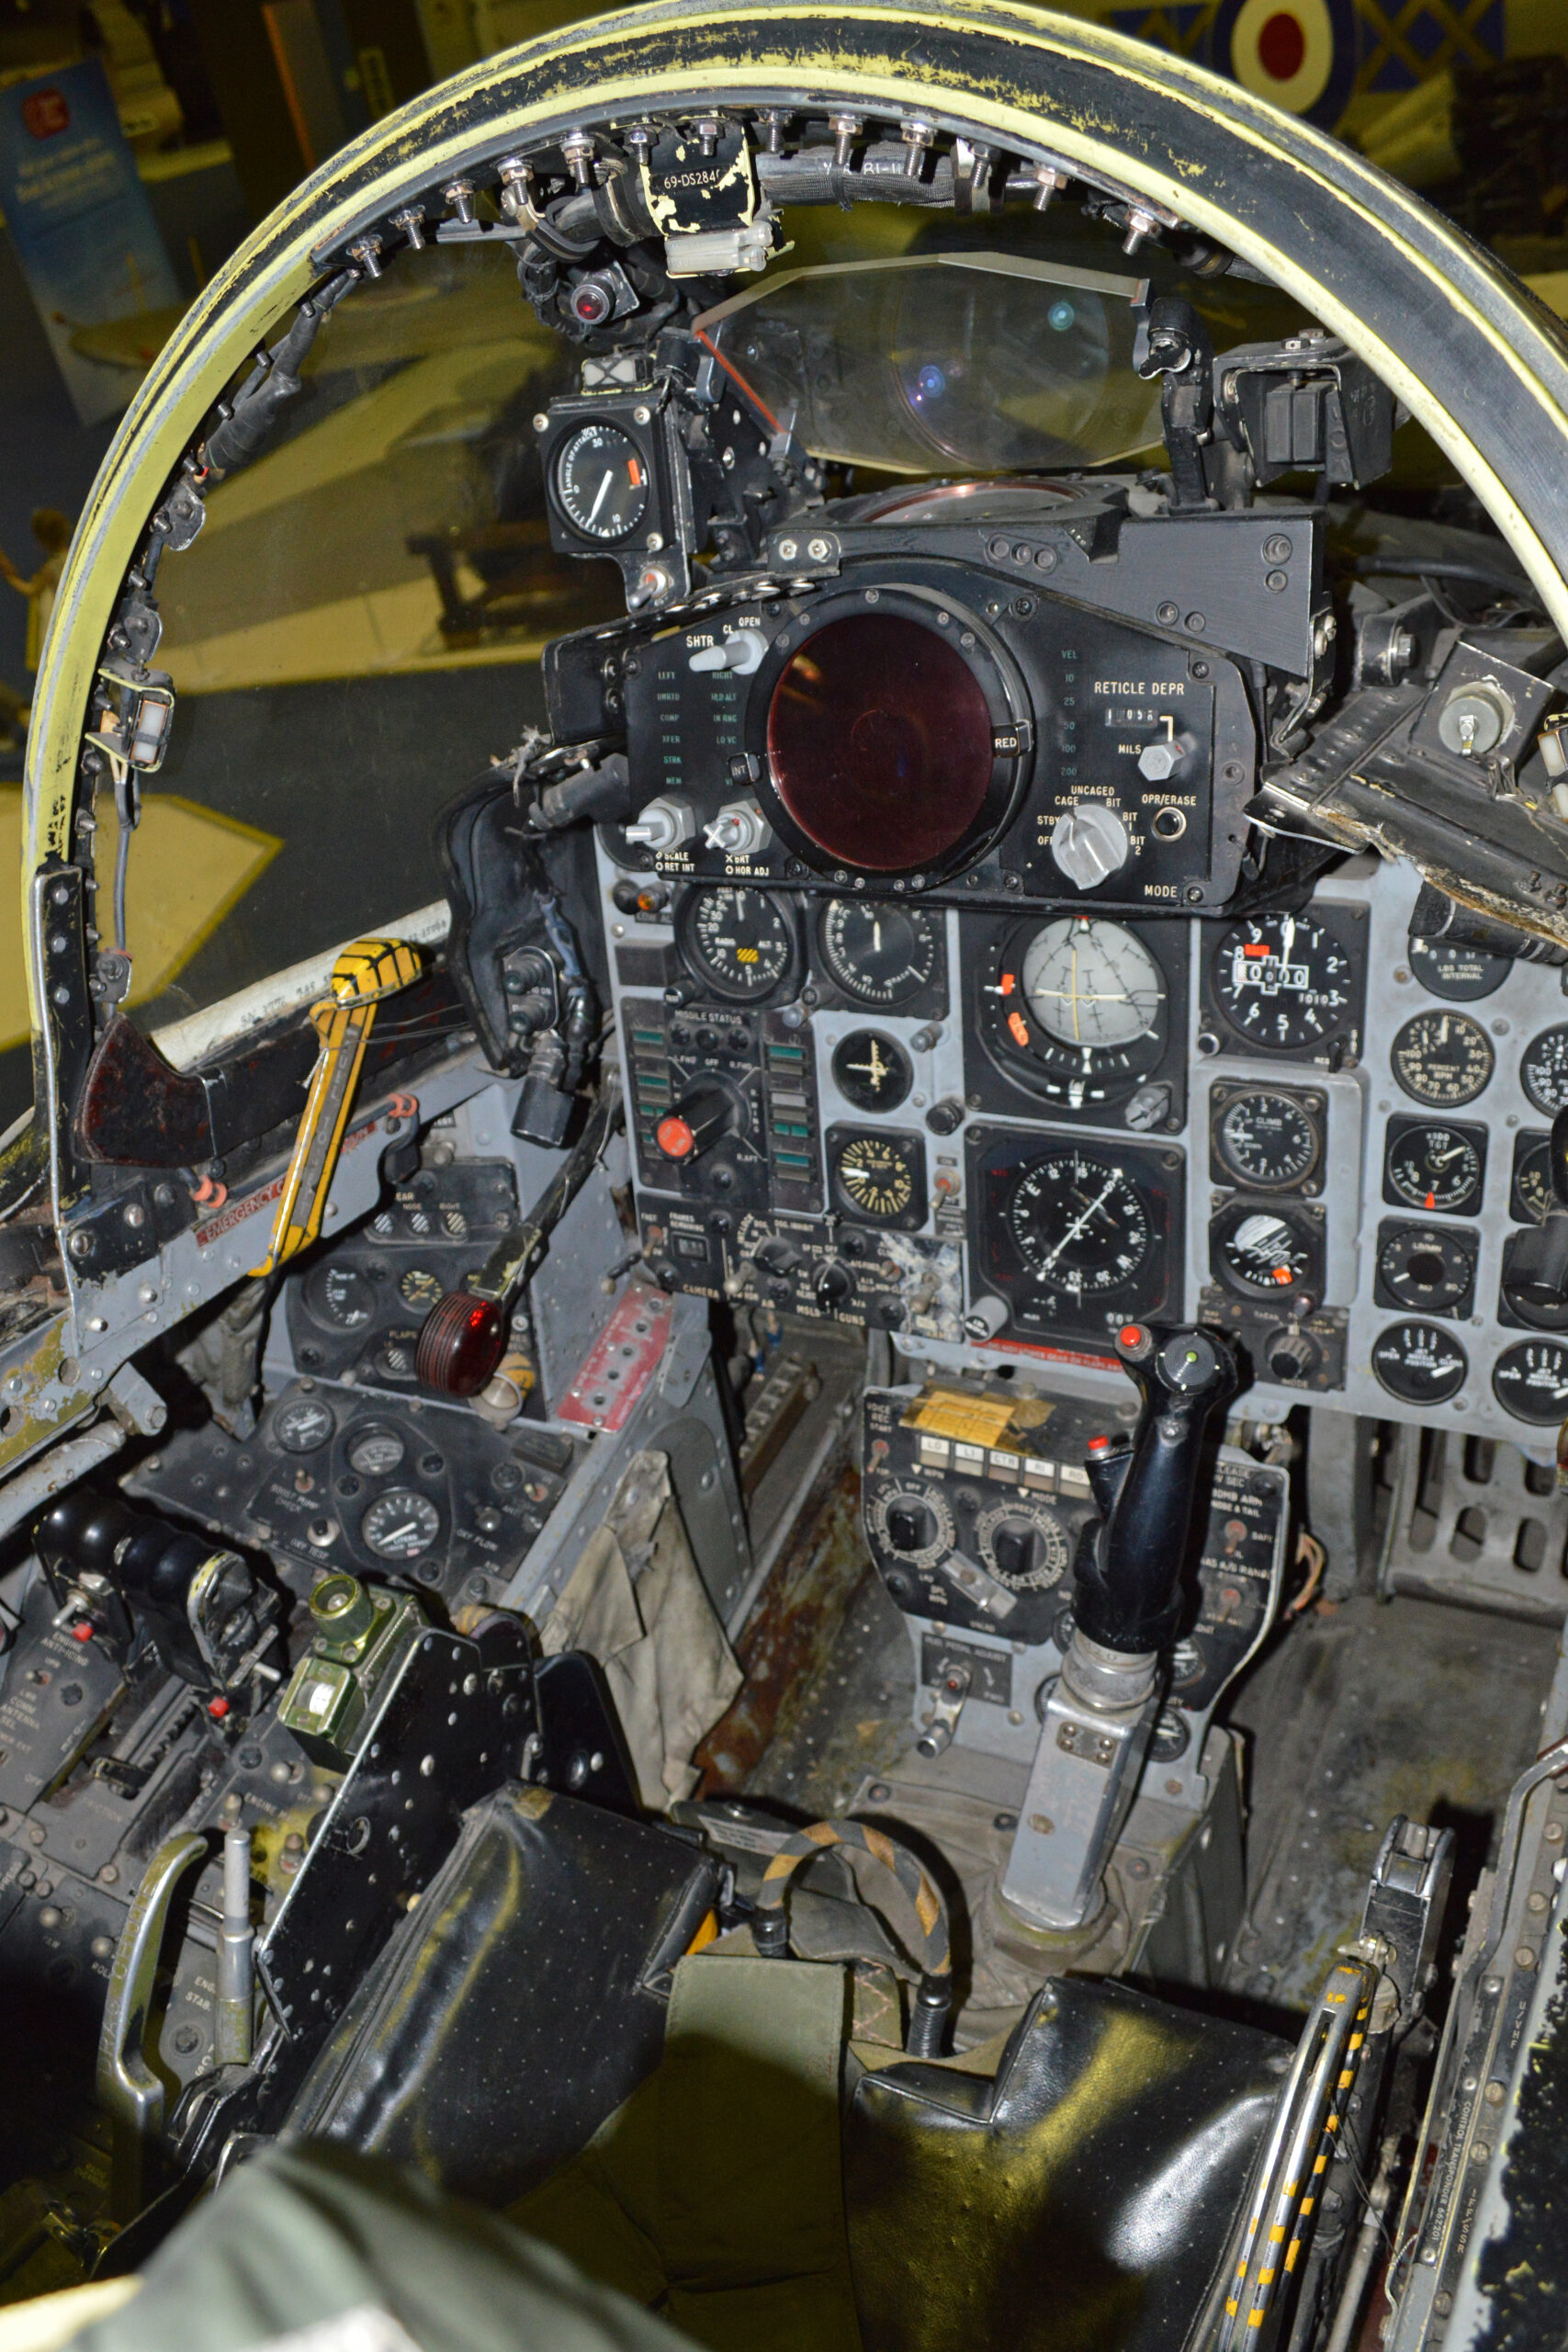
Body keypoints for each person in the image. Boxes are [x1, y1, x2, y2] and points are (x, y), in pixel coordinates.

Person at [0, 508, 74, 738]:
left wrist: (8, 574)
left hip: (55, 630)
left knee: (52, 679)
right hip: (72, 626)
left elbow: (31, 590)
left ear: (42, 541)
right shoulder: (75, 557)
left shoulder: (50, 568)